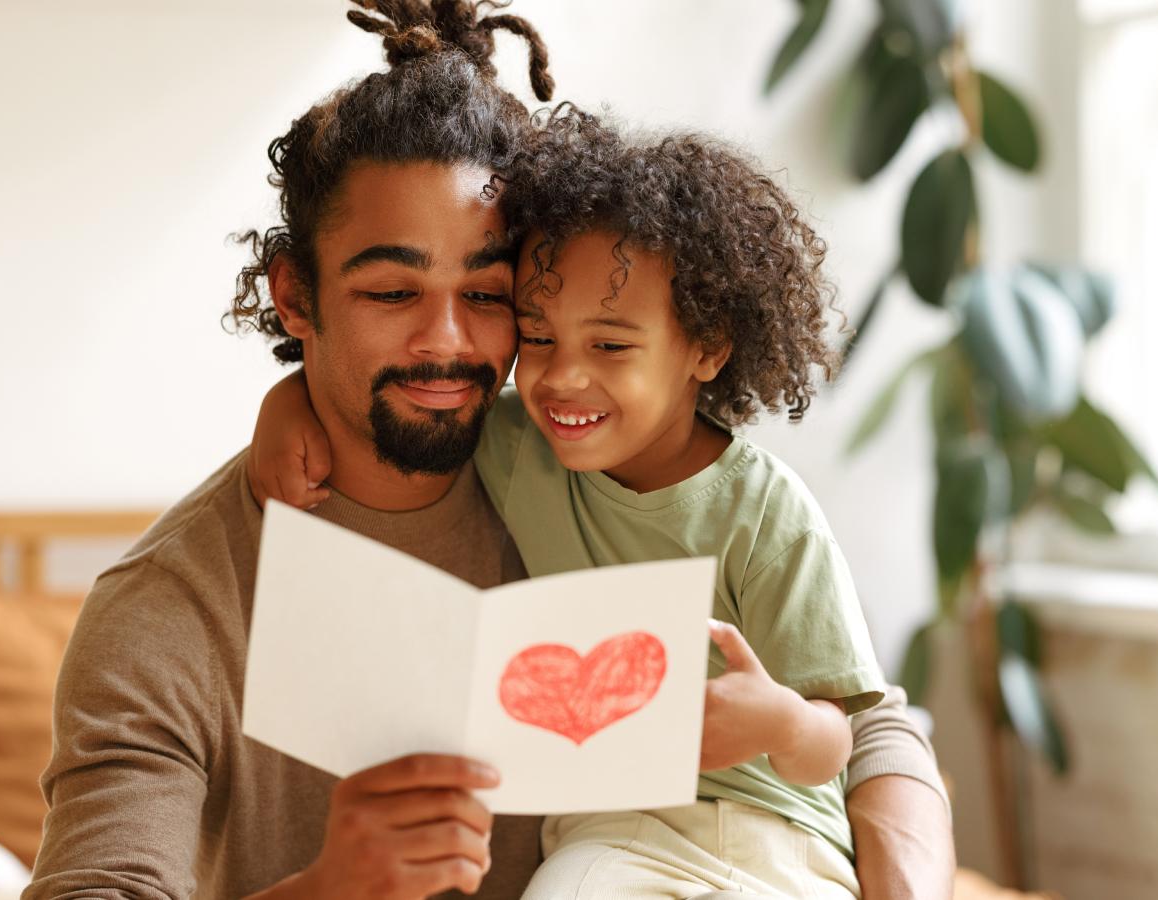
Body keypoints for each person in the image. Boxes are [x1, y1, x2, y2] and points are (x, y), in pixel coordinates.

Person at [26, 3, 954, 899]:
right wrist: (334, 889)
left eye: (489, 294)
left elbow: (864, 724)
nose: (449, 345)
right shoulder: (172, 609)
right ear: (295, 299)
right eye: (392, 294)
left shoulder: (566, 470)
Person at [251, 106, 904, 899]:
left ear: (706, 346)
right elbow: (387, 398)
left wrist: (781, 723)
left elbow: (844, 738)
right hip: (608, 836)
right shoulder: (521, 445)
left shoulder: (767, 516)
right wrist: (284, 406)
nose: (562, 378)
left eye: (611, 345)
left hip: (772, 838)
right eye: (539, 336)